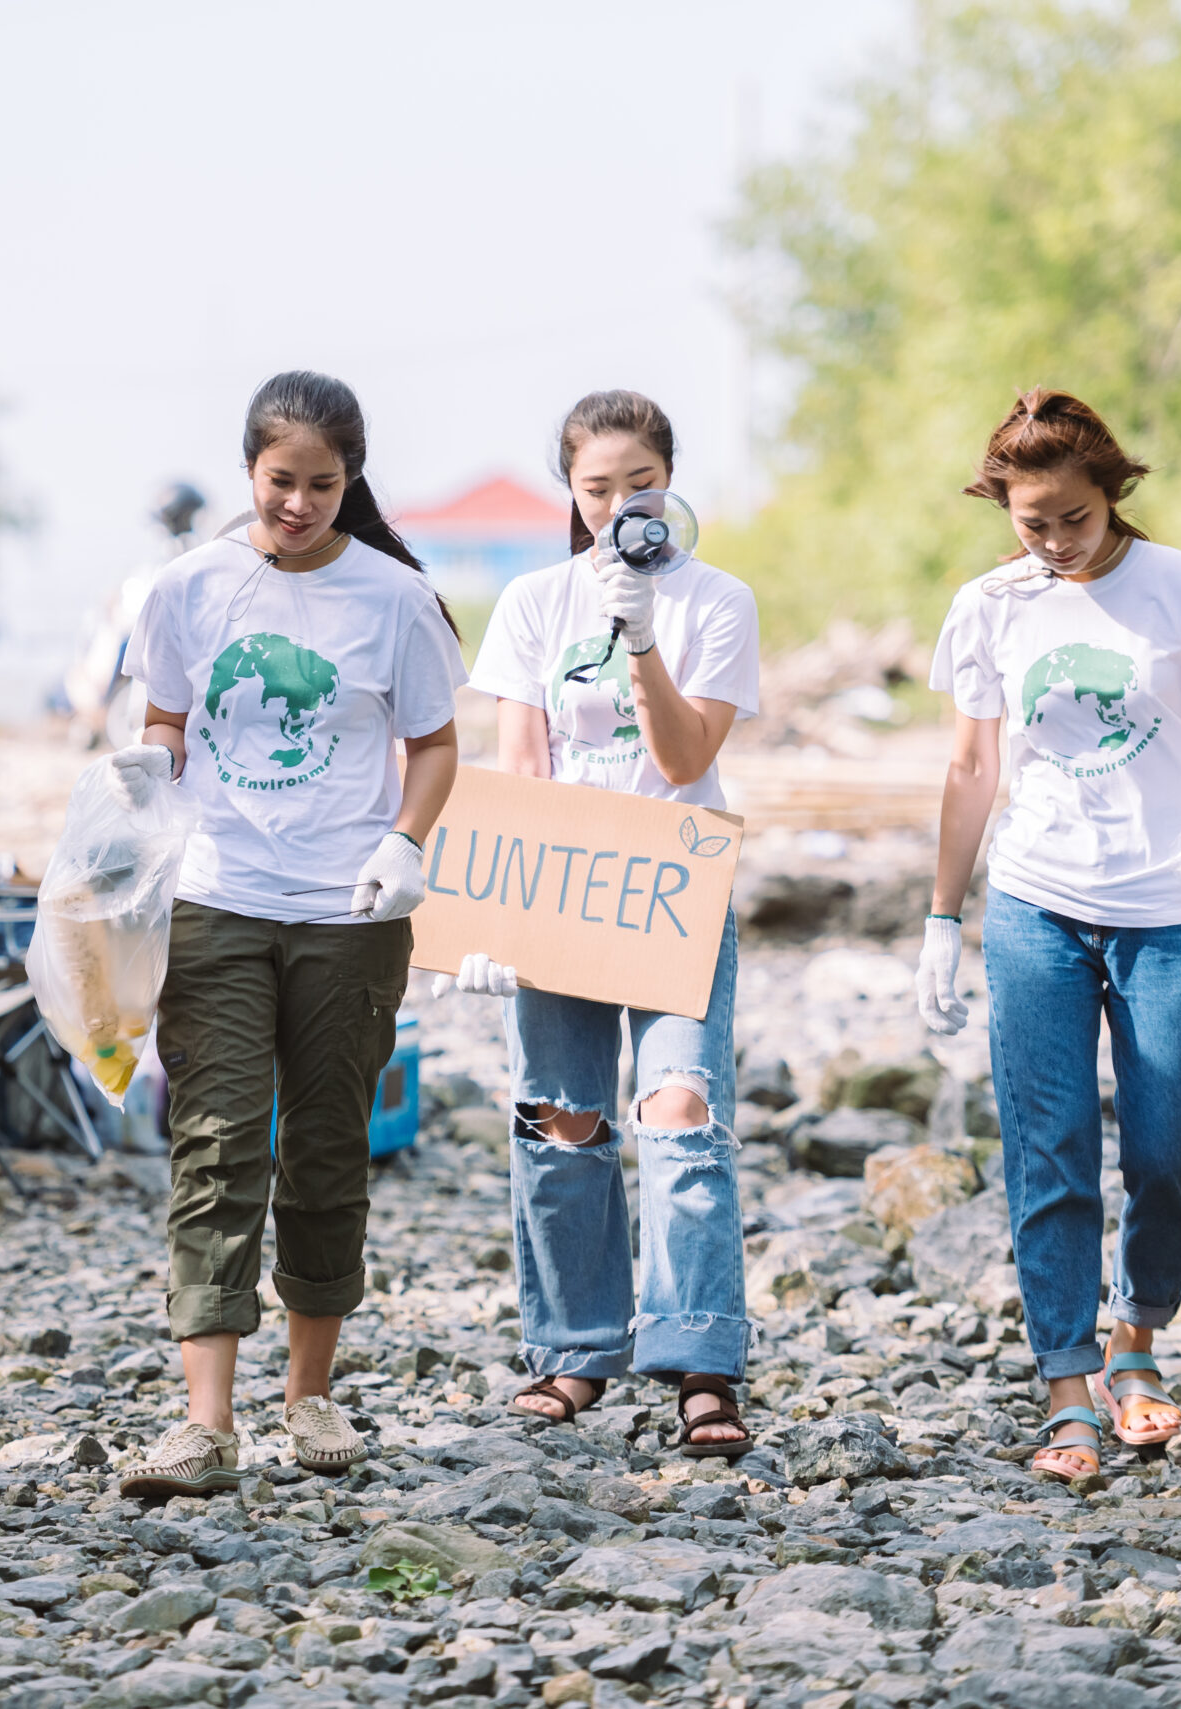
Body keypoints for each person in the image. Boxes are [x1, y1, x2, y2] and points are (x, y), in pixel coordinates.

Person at [918, 388, 1181, 1481]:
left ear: (1112, 496)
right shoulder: (990, 605)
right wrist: (941, 919)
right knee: (1049, 1156)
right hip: (1037, 905)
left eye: (1072, 521)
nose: (1052, 544)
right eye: (1029, 521)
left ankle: (1138, 1328)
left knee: (1166, 1149)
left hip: (1173, 911)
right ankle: (1067, 1385)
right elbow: (970, 766)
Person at [106, 371, 466, 1497]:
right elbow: (165, 715)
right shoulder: (186, 589)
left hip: (347, 909)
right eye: (279, 482)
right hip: (216, 895)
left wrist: (405, 842)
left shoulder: (395, 599)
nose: (299, 504)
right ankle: (205, 1420)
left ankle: (311, 1394)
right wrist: (149, 764)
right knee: (215, 1140)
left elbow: (437, 743)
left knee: (324, 1142)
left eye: (322, 484)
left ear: (350, 480)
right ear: (247, 471)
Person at [450, 390, 762, 1456]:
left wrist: (639, 640)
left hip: (674, 879)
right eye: (597, 488)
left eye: (640, 484)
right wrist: (493, 919)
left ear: (669, 482)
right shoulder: (533, 601)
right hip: (565, 879)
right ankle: (574, 1350)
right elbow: (519, 764)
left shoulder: (717, 601)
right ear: (570, 495)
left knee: (680, 1108)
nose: (619, 504)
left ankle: (700, 1360)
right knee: (559, 1117)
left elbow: (682, 758)